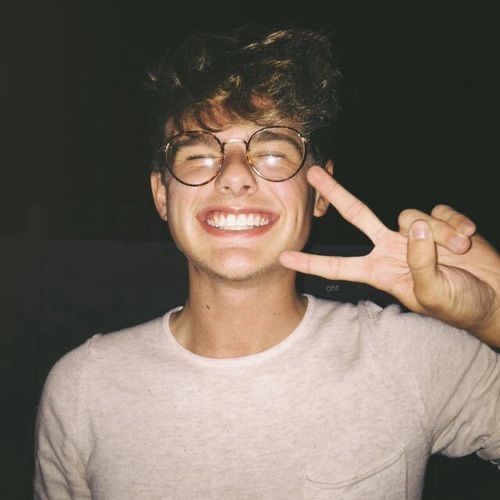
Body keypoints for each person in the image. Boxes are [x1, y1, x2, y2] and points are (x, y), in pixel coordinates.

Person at [34, 27, 500, 498]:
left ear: (319, 191)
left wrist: (497, 313)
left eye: (273, 153)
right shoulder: (83, 389)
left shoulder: (411, 357)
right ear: (161, 194)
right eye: (198, 155)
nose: (235, 175)